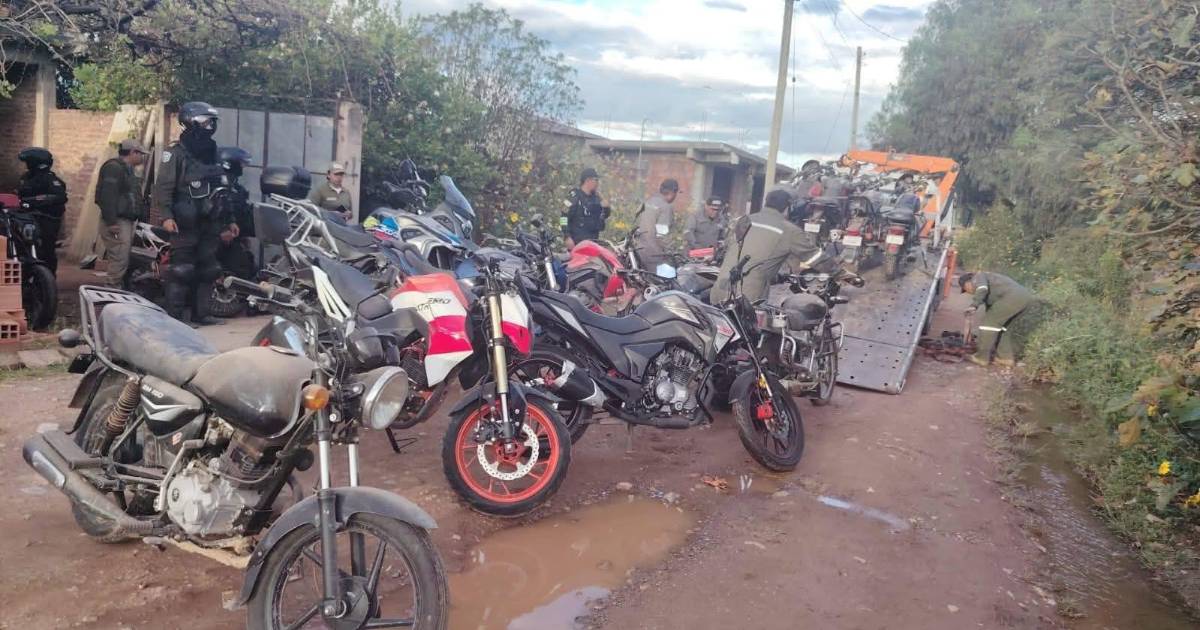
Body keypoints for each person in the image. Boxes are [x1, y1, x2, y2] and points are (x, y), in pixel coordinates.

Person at [152, 101, 236, 326]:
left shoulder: (213, 152)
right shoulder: (175, 153)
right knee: (182, 270)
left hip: (210, 222)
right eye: (207, 121)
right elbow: (163, 187)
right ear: (191, 122)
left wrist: (230, 220)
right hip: (184, 222)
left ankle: (202, 314)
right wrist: (166, 216)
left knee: (209, 269)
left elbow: (222, 188)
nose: (211, 126)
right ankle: (175, 319)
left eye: (213, 122)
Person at [709, 188, 821, 304]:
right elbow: (815, 258)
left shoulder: (744, 220)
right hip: (746, 300)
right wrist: (836, 272)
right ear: (788, 208)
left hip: (718, 292)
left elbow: (743, 254)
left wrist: (777, 276)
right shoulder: (789, 230)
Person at [95, 139, 148, 287]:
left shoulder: (126, 169)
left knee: (121, 257)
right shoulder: (114, 168)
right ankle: (112, 289)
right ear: (132, 152)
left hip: (123, 220)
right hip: (117, 221)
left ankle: (115, 288)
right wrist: (111, 222)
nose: (142, 157)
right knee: (120, 257)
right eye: (140, 154)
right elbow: (107, 196)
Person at [959, 271, 1034, 368]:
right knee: (1003, 329)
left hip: (1011, 297)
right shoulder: (991, 284)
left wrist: (974, 305)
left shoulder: (979, 276)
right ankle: (1005, 358)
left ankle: (981, 358)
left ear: (967, 283)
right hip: (1025, 298)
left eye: (966, 290)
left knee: (988, 325)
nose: (969, 293)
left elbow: (982, 289)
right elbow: (991, 310)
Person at [16, 147, 68, 273]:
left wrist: (33, 202)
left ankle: (48, 277)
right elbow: (18, 196)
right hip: (26, 218)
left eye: (29, 162)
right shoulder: (26, 178)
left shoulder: (51, 180)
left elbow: (59, 197)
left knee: (46, 249)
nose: (27, 165)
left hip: (46, 219)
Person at [635, 178, 679, 269]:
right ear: (672, 193)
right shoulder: (665, 207)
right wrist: (672, 253)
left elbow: (635, 224)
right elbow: (662, 235)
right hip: (655, 255)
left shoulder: (647, 202)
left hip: (637, 252)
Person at [562, 167, 609, 249]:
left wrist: (606, 208)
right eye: (596, 180)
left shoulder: (596, 198)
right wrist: (567, 237)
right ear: (588, 180)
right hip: (576, 244)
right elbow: (563, 218)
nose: (597, 183)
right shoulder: (574, 197)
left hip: (592, 243)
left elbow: (603, 216)